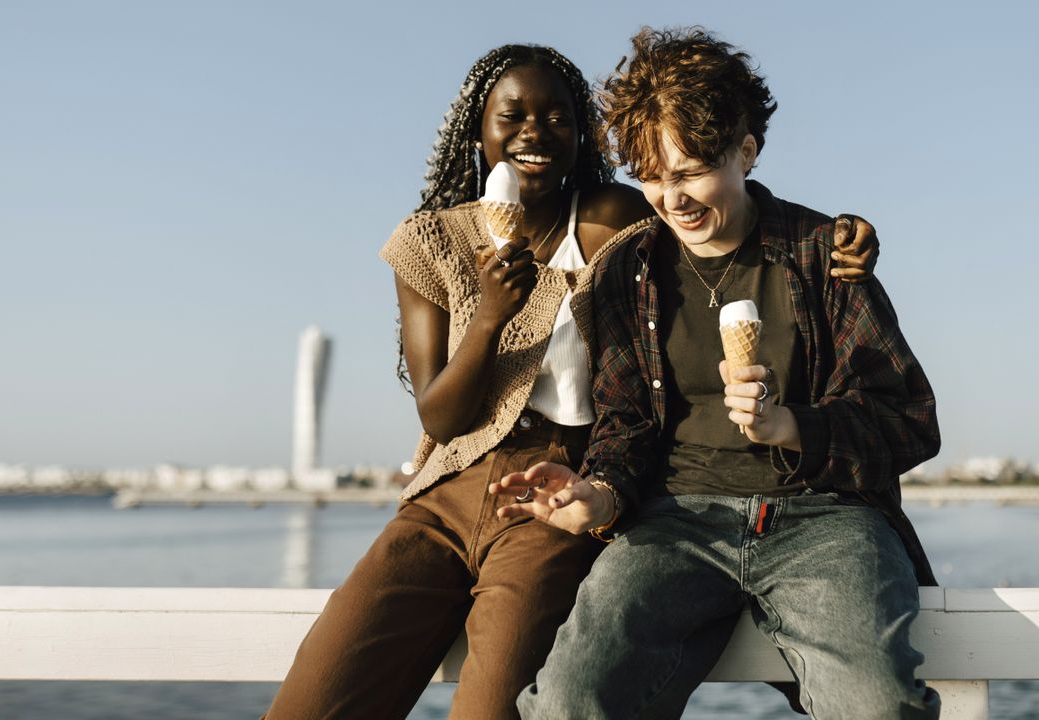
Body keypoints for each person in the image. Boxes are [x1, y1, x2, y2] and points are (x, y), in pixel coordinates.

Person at [265, 43, 882, 720]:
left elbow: (717, 196)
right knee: (317, 697)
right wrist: (491, 317)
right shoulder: (430, 241)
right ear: (477, 129)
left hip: (560, 484)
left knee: (499, 707)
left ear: (582, 134)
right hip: (448, 485)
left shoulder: (622, 218)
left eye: (558, 117)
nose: (535, 131)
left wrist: (837, 236)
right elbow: (441, 418)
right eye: (513, 115)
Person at [492, 28, 942, 720]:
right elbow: (626, 426)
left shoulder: (826, 254)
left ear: (746, 151)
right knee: (568, 701)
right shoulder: (625, 271)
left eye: (692, 170)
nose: (673, 199)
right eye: (652, 177)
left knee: (877, 705)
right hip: (675, 522)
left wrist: (792, 424)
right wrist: (601, 494)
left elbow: (909, 419)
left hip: (827, 519)